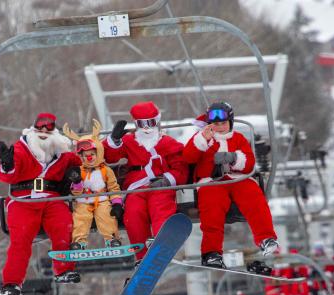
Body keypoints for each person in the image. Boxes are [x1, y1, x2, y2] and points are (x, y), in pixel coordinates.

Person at [0, 112, 82, 295]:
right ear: (33, 128)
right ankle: (12, 283)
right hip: (24, 199)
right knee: (21, 240)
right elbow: (6, 176)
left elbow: (85, 161)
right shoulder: (21, 149)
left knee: (63, 227)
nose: (43, 130)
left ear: (54, 131)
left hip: (52, 199)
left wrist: (76, 172)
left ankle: (63, 269)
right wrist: (7, 164)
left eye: (48, 127)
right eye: (40, 126)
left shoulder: (63, 154)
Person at [182, 101, 279, 269]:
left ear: (230, 123)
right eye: (216, 124)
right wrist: (202, 140)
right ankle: (211, 252)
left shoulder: (239, 139)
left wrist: (235, 158)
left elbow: (249, 164)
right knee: (212, 210)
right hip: (212, 182)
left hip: (237, 179)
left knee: (254, 198)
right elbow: (188, 157)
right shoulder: (202, 140)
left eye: (223, 123)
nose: (220, 127)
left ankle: (266, 238)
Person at [103, 101, 188, 261]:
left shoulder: (168, 143)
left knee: (161, 207)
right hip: (137, 187)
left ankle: (161, 242)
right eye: (142, 124)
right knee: (133, 214)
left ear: (157, 122)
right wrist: (113, 141)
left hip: (160, 185)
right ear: (136, 124)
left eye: (151, 123)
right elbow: (109, 157)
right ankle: (141, 255)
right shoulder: (128, 141)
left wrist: (167, 180)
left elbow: (181, 168)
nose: (147, 128)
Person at [62, 119, 124, 249]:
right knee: (80, 218)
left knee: (106, 215)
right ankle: (79, 242)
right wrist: (77, 182)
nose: (89, 158)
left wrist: (117, 203)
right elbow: (75, 192)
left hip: (102, 199)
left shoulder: (105, 170)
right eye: (85, 156)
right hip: (83, 200)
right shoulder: (79, 171)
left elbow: (113, 188)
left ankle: (112, 239)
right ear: (81, 157)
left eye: (92, 154)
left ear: (98, 153)